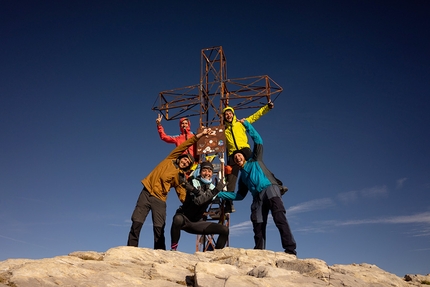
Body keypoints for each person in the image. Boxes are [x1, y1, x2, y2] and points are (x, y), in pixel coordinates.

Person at [217, 119, 297, 255]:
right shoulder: (242, 178)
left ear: (244, 157)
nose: (237, 157)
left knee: (279, 218)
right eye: (235, 157)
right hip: (257, 199)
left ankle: (290, 249)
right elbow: (239, 196)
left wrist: (247, 126)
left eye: (239, 155)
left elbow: (258, 141)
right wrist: (219, 194)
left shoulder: (255, 160)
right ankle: (259, 252)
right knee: (258, 224)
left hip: (270, 189)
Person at [127, 127, 211, 249]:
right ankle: (131, 248)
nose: (186, 162)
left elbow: (182, 195)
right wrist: (200, 135)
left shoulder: (180, 176)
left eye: (188, 163)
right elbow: (186, 144)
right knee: (136, 222)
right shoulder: (171, 158)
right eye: (185, 159)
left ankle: (160, 252)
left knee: (159, 227)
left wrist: (195, 206)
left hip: (160, 199)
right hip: (146, 192)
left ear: (187, 168)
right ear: (181, 158)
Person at [222, 101, 287, 212]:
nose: (228, 115)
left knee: (260, 166)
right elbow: (214, 139)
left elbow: (255, 116)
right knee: (230, 179)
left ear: (233, 114)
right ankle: (229, 204)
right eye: (226, 114)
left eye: (230, 113)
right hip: (233, 154)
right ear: (224, 117)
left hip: (244, 150)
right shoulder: (223, 130)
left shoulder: (240, 123)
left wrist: (267, 107)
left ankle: (278, 185)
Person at [170, 161, 229, 251]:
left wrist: (197, 191)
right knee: (177, 219)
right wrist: (215, 191)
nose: (207, 173)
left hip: (198, 223)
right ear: (200, 172)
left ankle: (215, 256)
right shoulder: (193, 181)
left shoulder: (213, 187)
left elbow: (204, 198)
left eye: (209, 171)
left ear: (212, 173)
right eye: (204, 170)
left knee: (224, 230)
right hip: (184, 219)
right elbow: (198, 201)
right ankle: (173, 249)